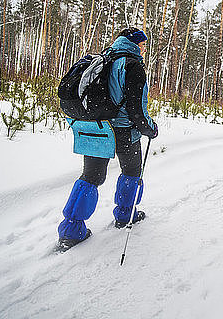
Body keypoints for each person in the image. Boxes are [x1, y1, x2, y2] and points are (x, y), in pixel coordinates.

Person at [57, 27, 158, 251]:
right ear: (136, 44)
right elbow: (136, 110)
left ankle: (71, 230)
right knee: (132, 172)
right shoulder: (133, 66)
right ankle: (125, 215)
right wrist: (150, 129)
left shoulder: (104, 59)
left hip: (96, 127)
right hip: (123, 132)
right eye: (143, 44)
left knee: (91, 176)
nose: (144, 48)